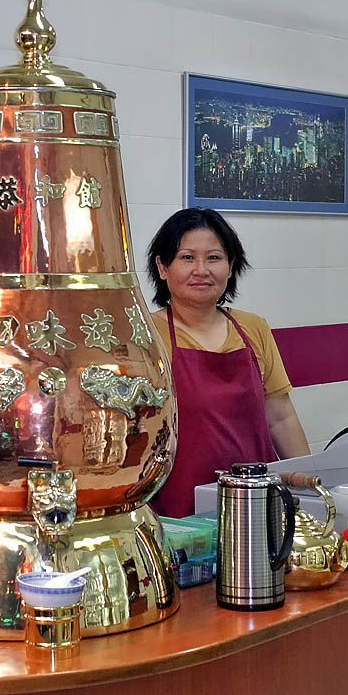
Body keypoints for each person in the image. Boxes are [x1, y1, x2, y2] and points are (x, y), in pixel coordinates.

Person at [146, 207, 309, 518]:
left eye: (214, 258)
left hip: (256, 501)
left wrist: (308, 485)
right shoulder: (146, 333)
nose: (201, 269)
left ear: (231, 266)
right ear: (162, 267)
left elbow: (281, 416)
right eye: (187, 258)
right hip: (176, 510)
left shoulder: (253, 328)